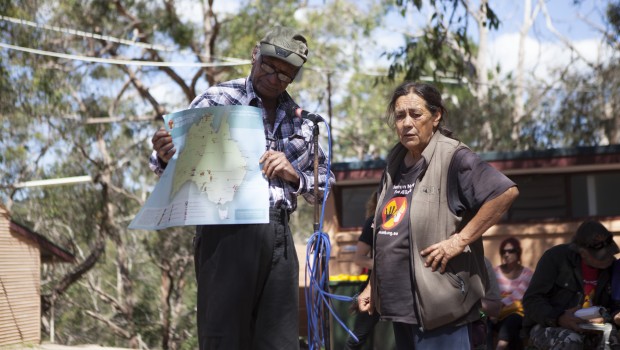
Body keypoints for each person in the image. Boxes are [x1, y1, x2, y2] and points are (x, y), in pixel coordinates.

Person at [150, 26, 335, 350]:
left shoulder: (302, 121)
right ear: (255, 55)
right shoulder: (217, 99)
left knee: (279, 341)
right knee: (224, 338)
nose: (275, 78)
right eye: (269, 66)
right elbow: (164, 164)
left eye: (286, 74)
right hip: (225, 231)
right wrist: (166, 154)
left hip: (277, 233)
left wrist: (294, 175)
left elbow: (323, 186)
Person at [357, 81, 519, 349]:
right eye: (399, 116)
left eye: (415, 114)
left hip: (443, 312)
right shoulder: (395, 163)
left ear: (436, 116)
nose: (406, 123)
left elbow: (505, 193)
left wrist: (459, 241)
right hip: (402, 310)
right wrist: (374, 284)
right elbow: (391, 232)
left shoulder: (454, 158)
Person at [522, 220, 620, 350]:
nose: (608, 258)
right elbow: (531, 300)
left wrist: (613, 315)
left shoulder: (612, 267)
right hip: (550, 325)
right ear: (583, 253)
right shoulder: (555, 258)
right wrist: (559, 317)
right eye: (601, 256)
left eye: (609, 252)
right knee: (570, 340)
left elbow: (614, 305)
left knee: (613, 337)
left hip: (592, 327)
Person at [345, 191, 381, 350]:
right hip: (376, 287)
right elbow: (359, 258)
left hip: (405, 289)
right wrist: (385, 266)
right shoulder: (373, 221)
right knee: (357, 338)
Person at [493, 237, 533, 350]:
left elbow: (518, 295)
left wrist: (499, 307)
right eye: (503, 251)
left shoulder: (527, 274)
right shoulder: (495, 272)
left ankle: (501, 346)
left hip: (516, 313)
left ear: (518, 252)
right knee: (484, 321)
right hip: (496, 314)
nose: (506, 254)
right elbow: (489, 294)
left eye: (511, 251)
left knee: (512, 321)